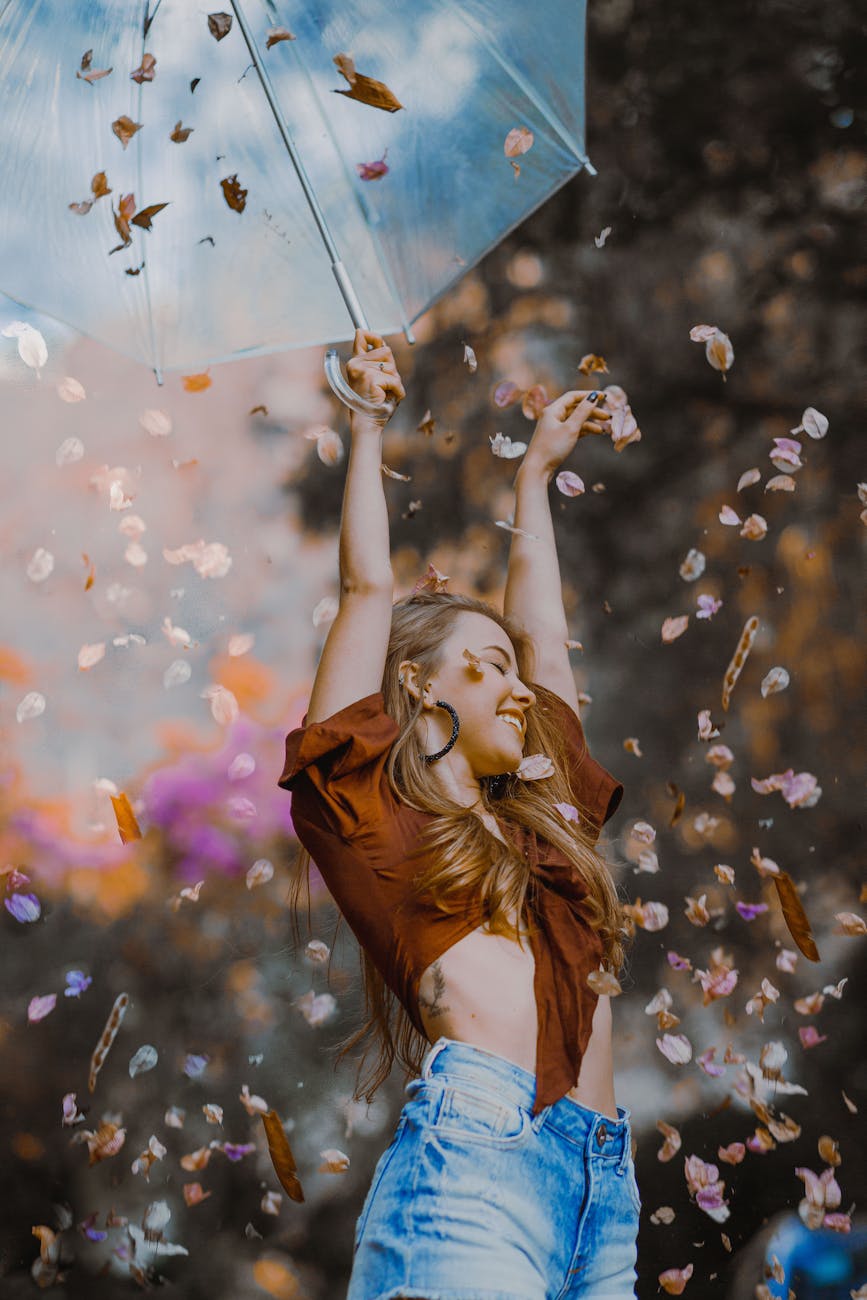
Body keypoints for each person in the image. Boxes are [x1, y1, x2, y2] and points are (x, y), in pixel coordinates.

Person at [278, 330, 639, 1299]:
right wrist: (366, 422)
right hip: (474, 1174)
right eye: (483, 669)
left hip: (603, 1199)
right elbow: (365, 591)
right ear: (415, 688)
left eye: (512, 672)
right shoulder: (375, 824)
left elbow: (546, 645)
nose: (517, 688)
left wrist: (534, 480)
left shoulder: (543, 824)